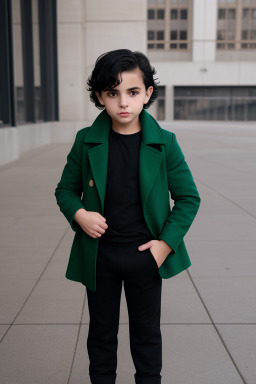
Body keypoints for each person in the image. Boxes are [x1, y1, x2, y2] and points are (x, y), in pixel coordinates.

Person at [54, 49, 201, 384]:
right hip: (100, 255)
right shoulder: (86, 142)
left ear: (147, 93)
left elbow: (189, 198)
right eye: (112, 93)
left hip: (145, 256)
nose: (123, 102)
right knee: (101, 336)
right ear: (99, 97)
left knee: (147, 336)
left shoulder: (164, 143)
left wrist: (164, 245)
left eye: (132, 92)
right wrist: (80, 214)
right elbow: (64, 190)